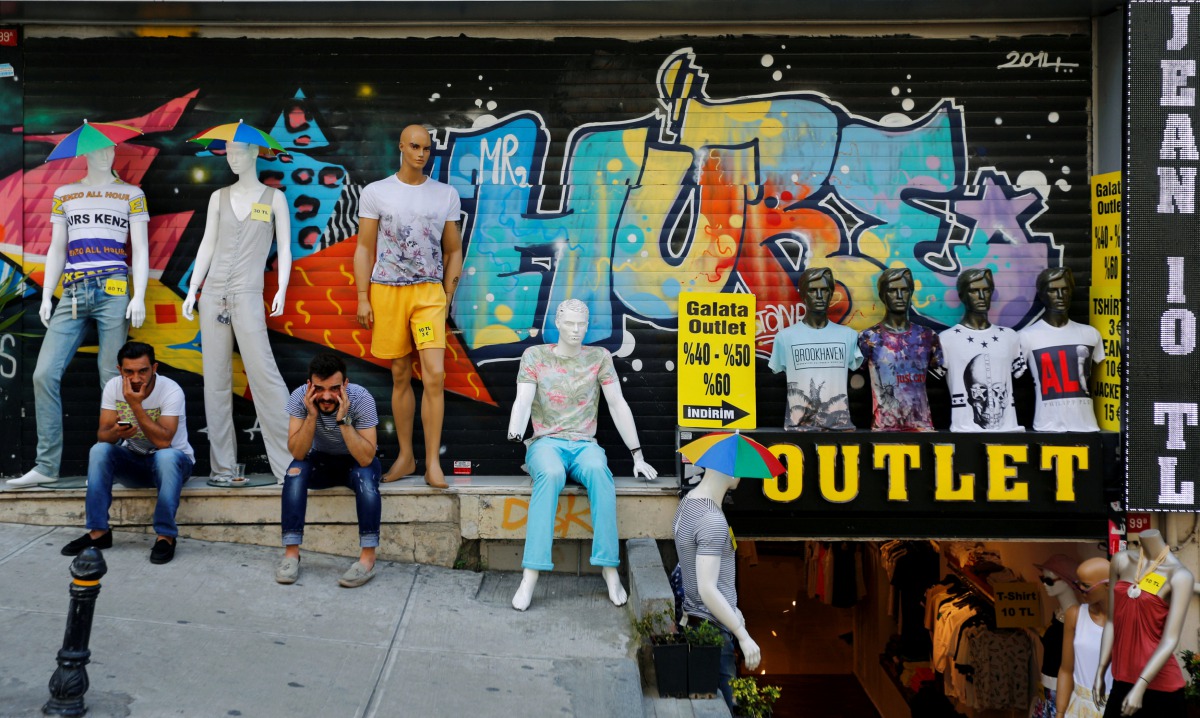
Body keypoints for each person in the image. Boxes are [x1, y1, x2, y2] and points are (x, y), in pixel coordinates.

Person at [9, 145, 149, 488]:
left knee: (111, 379)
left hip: (114, 288)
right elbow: (58, 246)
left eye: (111, 149)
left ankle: (117, 462)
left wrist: (140, 295)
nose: (106, 155)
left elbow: (141, 248)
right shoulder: (65, 194)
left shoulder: (132, 194)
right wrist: (46, 294)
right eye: (98, 150)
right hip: (72, 291)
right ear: (84, 153)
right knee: (44, 373)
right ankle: (46, 465)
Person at [507, 299, 657, 611]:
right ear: (558, 323)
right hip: (545, 442)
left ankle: (609, 568)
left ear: (587, 326)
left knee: (600, 475)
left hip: (584, 443)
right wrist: (516, 429)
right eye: (570, 324)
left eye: (581, 325)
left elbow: (617, 404)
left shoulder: (599, 358)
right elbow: (523, 398)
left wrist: (637, 455)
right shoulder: (534, 356)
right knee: (550, 475)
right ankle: (530, 575)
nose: (576, 330)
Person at [354, 124, 463, 489]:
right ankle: (406, 456)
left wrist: (447, 296)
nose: (421, 153)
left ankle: (433, 463)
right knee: (400, 374)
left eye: (426, 148)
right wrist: (362, 297)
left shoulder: (445, 194)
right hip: (387, 294)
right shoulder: (376, 193)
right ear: (401, 147)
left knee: (434, 374)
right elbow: (365, 248)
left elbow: (453, 250)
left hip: (428, 296)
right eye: (414, 146)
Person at [182, 139, 293, 483]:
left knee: (265, 377)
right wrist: (192, 289)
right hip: (212, 295)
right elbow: (207, 244)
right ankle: (223, 469)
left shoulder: (275, 198)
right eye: (227, 153)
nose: (231, 159)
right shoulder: (219, 197)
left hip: (247, 295)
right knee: (215, 383)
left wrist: (282, 290)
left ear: (255, 153)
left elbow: (286, 249)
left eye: (238, 152)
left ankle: (289, 464)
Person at [60, 341, 194, 564]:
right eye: (129, 372)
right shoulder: (114, 387)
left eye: (143, 371)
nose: (136, 378)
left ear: (155, 368)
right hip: (135, 464)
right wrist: (116, 431)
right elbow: (104, 436)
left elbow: (163, 441)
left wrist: (136, 407)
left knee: (166, 456)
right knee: (100, 450)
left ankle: (165, 536)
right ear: (120, 370)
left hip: (173, 466)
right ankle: (98, 533)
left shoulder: (171, 390)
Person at [275, 353, 382, 588]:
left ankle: (367, 559)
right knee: (294, 472)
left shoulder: (361, 397)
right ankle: (291, 555)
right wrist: (311, 416)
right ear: (309, 385)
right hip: (321, 461)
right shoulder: (299, 398)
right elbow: (298, 453)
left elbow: (366, 458)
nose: (326, 396)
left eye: (334, 389)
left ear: (345, 384)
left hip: (356, 462)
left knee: (365, 478)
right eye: (320, 389)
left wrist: (343, 421)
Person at [673, 466, 761, 711]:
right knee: (728, 705)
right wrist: (742, 635)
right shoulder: (712, 520)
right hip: (712, 629)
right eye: (741, 469)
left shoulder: (688, 503)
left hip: (695, 620)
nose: (742, 477)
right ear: (730, 473)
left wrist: (732, 608)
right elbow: (707, 589)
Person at [1094, 529, 1192, 717]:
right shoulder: (1120, 561)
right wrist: (1100, 670)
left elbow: (1170, 640)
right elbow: (1112, 620)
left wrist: (1140, 686)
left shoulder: (1179, 575)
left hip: (1160, 689)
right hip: (1122, 681)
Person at [769, 267, 863, 431]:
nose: (819, 296)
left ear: (831, 293)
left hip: (839, 427)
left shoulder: (848, 336)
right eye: (813, 290)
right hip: (797, 429)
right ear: (803, 294)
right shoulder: (785, 338)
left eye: (824, 290)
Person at [937, 268, 1027, 432]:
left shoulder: (1010, 337)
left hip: (1009, 432)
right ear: (962, 295)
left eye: (986, 290)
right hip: (964, 432)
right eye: (974, 291)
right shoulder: (946, 339)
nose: (981, 296)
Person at [857, 267, 944, 431]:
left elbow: (938, 379)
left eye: (904, 290)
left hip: (922, 427)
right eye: (892, 290)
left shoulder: (927, 336)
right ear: (883, 295)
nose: (898, 295)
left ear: (911, 293)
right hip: (884, 429)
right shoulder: (868, 338)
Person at [1019, 267, 1105, 432]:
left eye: (1065, 289)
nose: (1060, 296)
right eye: (1053, 290)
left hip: (1087, 426)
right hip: (1047, 426)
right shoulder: (1026, 336)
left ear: (1071, 291)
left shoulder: (1091, 334)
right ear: (1042, 295)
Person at [1058, 557, 1113, 718]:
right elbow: (1066, 669)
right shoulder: (1075, 615)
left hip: (1113, 706)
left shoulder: (1126, 620)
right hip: (1078, 707)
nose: (1080, 590)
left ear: (1107, 584)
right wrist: (1060, 713)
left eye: (1086, 586)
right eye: (1078, 584)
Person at [1034, 554, 1080, 718]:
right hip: (1046, 689)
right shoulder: (1058, 613)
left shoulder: (1077, 618)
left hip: (1061, 692)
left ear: (1068, 582)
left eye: (1049, 580)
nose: (1045, 585)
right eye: (1042, 579)